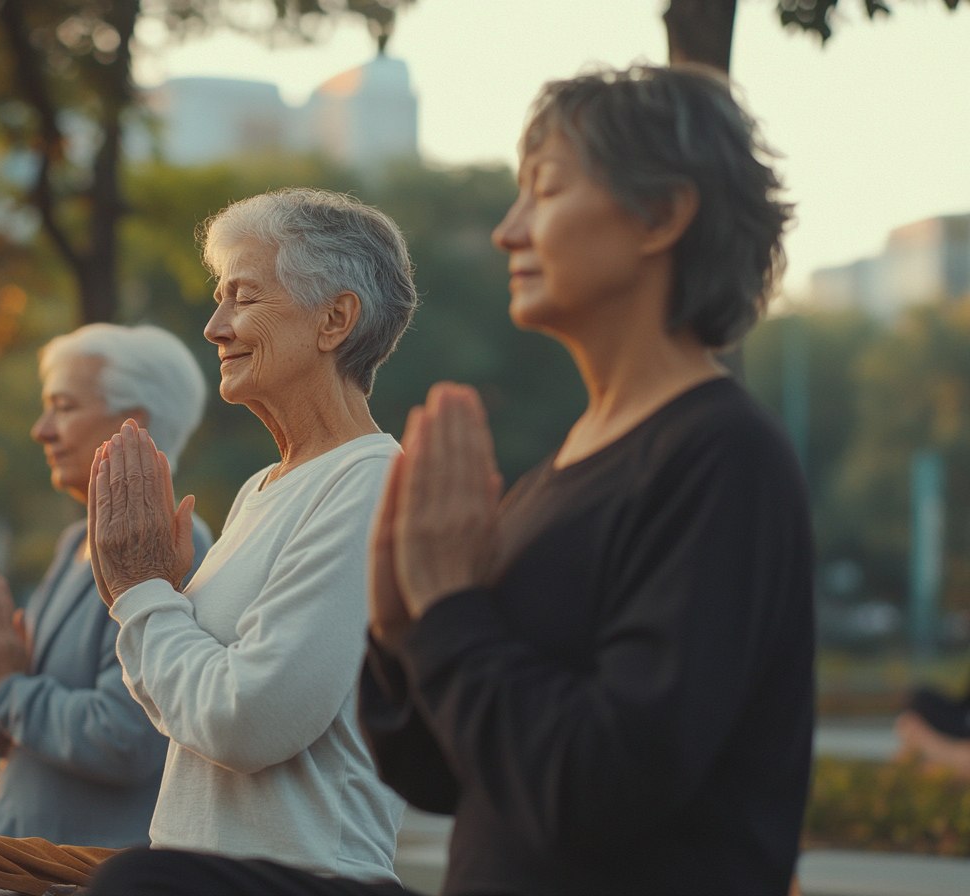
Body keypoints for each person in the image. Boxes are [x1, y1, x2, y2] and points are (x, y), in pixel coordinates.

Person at [82, 64, 812, 896]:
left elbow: (607, 779)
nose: (508, 230)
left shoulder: (722, 455)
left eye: (545, 191)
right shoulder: (559, 476)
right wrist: (406, 618)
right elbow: (436, 772)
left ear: (663, 215)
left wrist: (443, 611)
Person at [0, 187, 417, 896]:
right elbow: (179, 708)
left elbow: (247, 722)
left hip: (281, 878)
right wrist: (156, 603)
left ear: (335, 318)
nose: (215, 326)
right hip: (162, 868)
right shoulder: (261, 489)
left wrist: (143, 592)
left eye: (243, 298)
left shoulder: (370, 485)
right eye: (219, 299)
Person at [0, 324, 213, 846]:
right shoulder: (76, 540)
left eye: (64, 407)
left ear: (132, 425)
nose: (42, 429)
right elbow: (12, 735)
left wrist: (6, 689)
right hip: (2, 848)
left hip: (69, 872)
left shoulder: (173, 549)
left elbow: (124, 741)